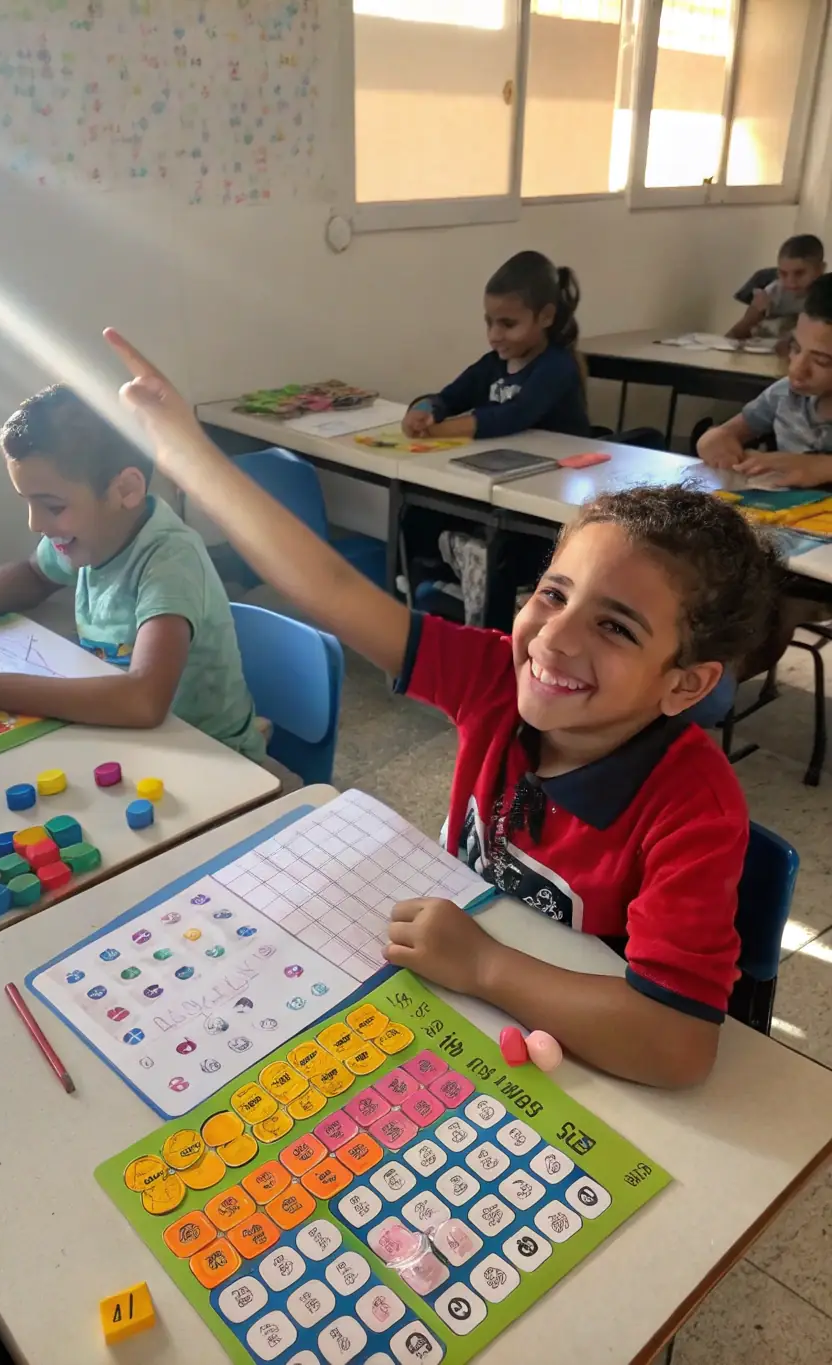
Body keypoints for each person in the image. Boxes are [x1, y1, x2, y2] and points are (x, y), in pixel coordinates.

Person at [104, 327, 782, 1090]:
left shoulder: (691, 802)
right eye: (554, 593)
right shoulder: (496, 677)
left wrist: (484, 963)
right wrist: (189, 454)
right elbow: (330, 587)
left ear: (685, 685)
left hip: (576, 1069)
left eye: (615, 626)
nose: (551, 640)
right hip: (458, 1020)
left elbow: (677, 1043)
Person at [0, 384, 264, 760]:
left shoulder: (169, 559)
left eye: (52, 507)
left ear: (125, 489)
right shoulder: (92, 538)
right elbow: (31, 574)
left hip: (214, 760)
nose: (35, 524)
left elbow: (144, 700)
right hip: (137, 746)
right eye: (28, 504)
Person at [402, 250, 591, 442]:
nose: (494, 336)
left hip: (561, 464)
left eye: (508, 324)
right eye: (489, 323)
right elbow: (448, 398)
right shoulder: (492, 364)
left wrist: (436, 431)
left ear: (546, 316)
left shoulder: (557, 366)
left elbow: (514, 415)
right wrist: (422, 411)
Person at [700, 272, 832, 488]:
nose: (797, 369)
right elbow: (726, 433)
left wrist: (820, 467)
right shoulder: (785, 394)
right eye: (795, 349)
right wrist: (714, 440)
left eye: (822, 361)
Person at [727, 234, 825, 347]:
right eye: (783, 274)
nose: (791, 281)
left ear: (820, 269)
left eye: (799, 273)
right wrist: (754, 314)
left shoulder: (826, 295)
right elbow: (734, 336)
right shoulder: (773, 292)